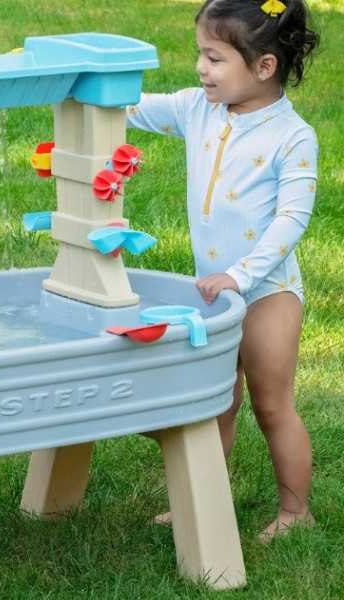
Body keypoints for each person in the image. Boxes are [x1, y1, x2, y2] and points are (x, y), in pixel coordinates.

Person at [127, 0, 319, 542]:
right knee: (216, 401)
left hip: (267, 293)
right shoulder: (199, 109)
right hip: (216, 292)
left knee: (271, 405)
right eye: (200, 55)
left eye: (214, 58)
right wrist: (83, 88)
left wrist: (242, 275)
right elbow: (131, 108)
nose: (200, 68)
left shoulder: (292, 136)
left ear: (263, 67)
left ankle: (295, 510)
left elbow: (291, 220)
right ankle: (202, 499)